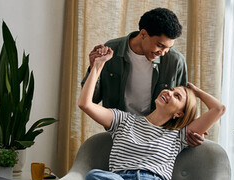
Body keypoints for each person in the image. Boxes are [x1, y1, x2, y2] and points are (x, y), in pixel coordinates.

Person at [78, 45, 225, 180]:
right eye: (171, 89)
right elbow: (85, 104)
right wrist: (97, 67)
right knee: (94, 178)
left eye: (177, 96)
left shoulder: (178, 135)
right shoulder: (123, 120)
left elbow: (218, 109)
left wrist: (195, 92)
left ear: (179, 113)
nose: (169, 92)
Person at [81, 7, 207, 147]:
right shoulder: (112, 51)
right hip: (120, 132)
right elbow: (91, 99)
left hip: (158, 139)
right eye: (160, 45)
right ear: (143, 34)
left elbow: (184, 106)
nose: (163, 53)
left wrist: (194, 132)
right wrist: (94, 69)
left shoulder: (175, 61)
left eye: (168, 48)